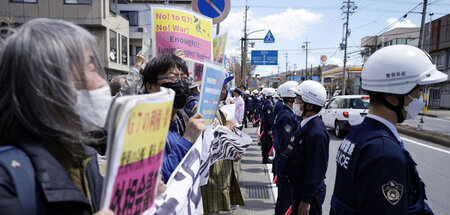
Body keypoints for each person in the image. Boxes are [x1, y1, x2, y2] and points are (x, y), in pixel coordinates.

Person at [0, 18, 112, 215]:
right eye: (92, 69)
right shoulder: (6, 180)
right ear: (48, 84)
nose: (103, 83)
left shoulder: (83, 158)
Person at [330, 45, 447, 215]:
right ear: (394, 96)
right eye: (419, 91)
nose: (421, 99)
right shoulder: (384, 152)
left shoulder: (358, 133)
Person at [142, 53, 206, 183]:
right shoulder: (142, 128)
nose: (181, 84)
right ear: (150, 87)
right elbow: (156, 180)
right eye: (173, 78)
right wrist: (188, 139)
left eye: (185, 79)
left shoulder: (180, 121)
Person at [201, 76, 245, 214]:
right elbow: (206, 143)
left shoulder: (216, 109)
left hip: (219, 177)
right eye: (223, 88)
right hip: (211, 177)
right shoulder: (203, 109)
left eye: (225, 88)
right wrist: (226, 129)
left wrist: (232, 151)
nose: (225, 91)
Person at [287, 81, 329, 215]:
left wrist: (306, 200)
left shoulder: (316, 132)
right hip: (299, 188)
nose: (295, 103)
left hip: (308, 194)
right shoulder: (305, 124)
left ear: (309, 105)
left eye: (298, 100)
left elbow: (315, 170)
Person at [273, 81, 302, 215]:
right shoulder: (286, 116)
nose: (299, 101)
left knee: (286, 199)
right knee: (285, 202)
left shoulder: (288, 113)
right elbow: (287, 144)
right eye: (297, 98)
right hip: (286, 164)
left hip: (285, 163)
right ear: (290, 98)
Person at [260, 88, 276, 164]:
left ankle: (265, 158)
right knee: (267, 144)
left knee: (266, 143)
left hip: (265, 126)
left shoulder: (266, 103)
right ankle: (265, 159)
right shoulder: (268, 105)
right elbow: (269, 118)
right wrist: (270, 129)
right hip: (267, 127)